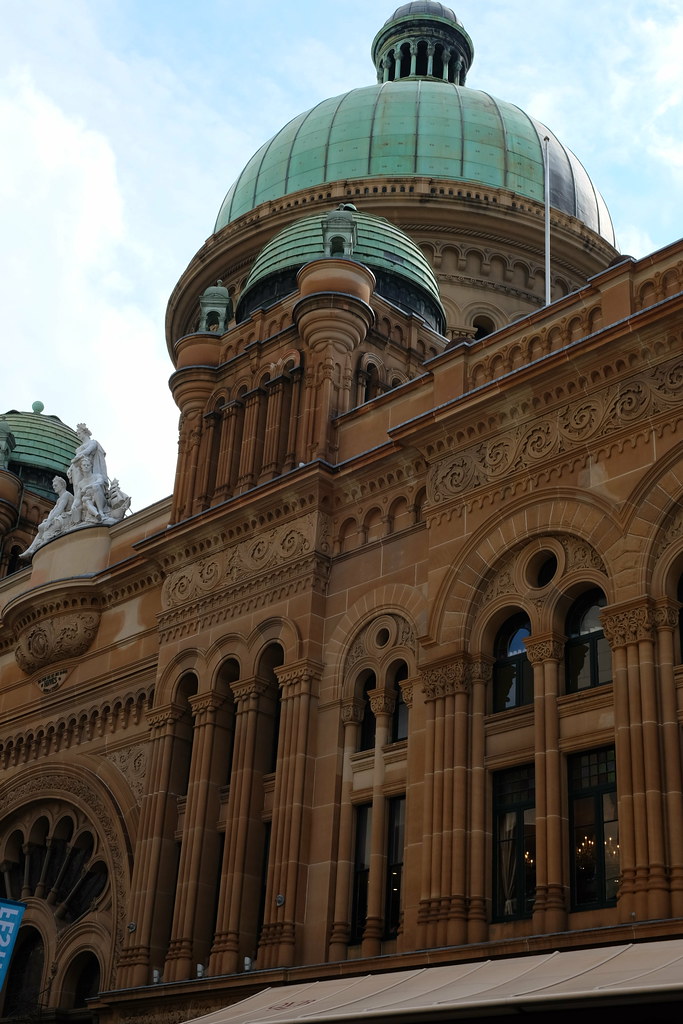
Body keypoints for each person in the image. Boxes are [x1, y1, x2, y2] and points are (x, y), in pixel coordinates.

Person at [20, 478, 74, 559]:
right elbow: (53, 511)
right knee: (41, 527)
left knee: (46, 528)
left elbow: (60, 509)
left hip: (68, 518)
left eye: (56, 485)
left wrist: (49, 521)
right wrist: (48, 519)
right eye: (53, 485)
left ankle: (44, 552)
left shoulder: (66, 494)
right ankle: (31, 549)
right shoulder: (60, 498)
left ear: (62, 485)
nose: (54, 487)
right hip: (62, 517)